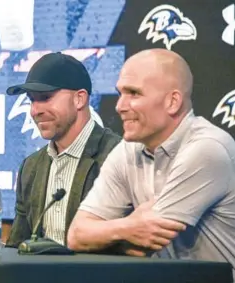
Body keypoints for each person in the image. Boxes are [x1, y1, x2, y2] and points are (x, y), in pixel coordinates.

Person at [67, 49, 235, 275]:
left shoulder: (208, 148)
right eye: (120, 93)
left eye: (134, 93)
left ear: (172, 102)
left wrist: (109, 233)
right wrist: (129, 227)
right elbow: (77, 235)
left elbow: (148, 242)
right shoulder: (126, 151)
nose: (120, 106)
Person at [5, 52, 121, 247]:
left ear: (79, 99)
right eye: (32, 100)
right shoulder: (31, 167)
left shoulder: (118, 156)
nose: (35, 110)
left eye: (45, 97)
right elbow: (17, 245)